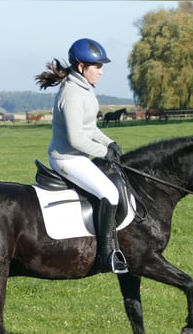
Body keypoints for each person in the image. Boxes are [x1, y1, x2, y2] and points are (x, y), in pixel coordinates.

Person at [35, 38, 128, 274]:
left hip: (77, 156)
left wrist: (110, 143)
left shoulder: (84, 89)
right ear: (80, 67)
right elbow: (77, 139)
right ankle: (105, 254)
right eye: (97, 66)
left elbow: (90, 129)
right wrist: (104, 152)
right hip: (66, 158)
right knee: (110, 193)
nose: (101, 71)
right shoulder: (73, 94)